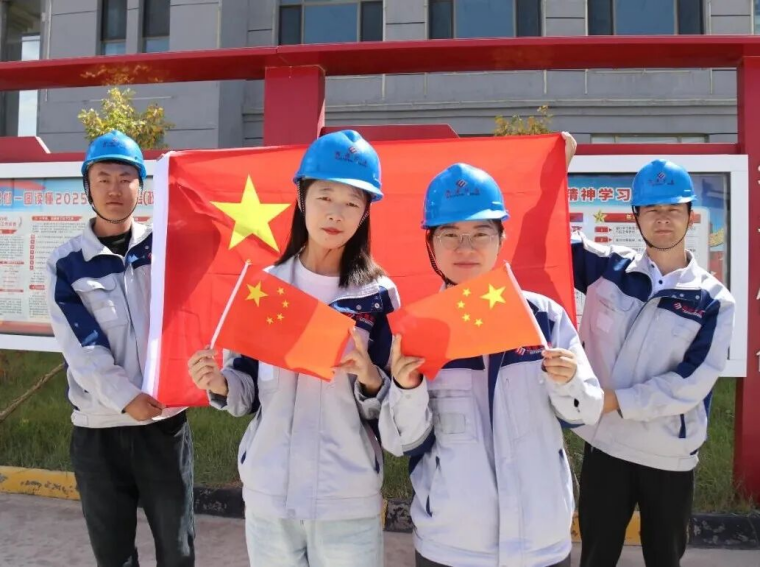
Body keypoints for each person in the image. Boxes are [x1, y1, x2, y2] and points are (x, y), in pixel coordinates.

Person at [188, 130, 398, 567]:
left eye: (352, 202)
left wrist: (369, 378)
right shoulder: (266, 287)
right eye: (325, 197)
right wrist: (221, 383)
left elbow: (393, 405)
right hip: (270, 493)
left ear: (365, 213)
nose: (335, 213)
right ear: (302, 198)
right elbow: (246, 389)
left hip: (347, 496)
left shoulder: (378, 295)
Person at [379, 160, 604, 567]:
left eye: (480, 233)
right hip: (451, 544)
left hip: (541, 542)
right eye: (450, 234)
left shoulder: (544, 319)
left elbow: (586, 412)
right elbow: (402, 443)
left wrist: (568, 380)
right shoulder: (418, 331)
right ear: (431, 243)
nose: (465, 248)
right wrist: (407, 389)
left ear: (502, 237)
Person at [567, 151, 736, 567]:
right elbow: (546, 236)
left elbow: (691, 383)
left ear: (690, 217)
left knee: (664, 558)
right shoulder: (607, 268)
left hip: (668, 454)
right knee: (596, 557)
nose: (663, 219)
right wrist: (555, 170)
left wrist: (614, 401)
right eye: (652, 209)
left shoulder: (713, 300)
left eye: (673, 210)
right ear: (636, 216)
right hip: (606, 446)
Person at [46, 130, 194, 567]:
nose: (114, 189)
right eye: (103, 178)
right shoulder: (67, 263)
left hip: (164, 424)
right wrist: (126, 398)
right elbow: (82, 346)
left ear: (141, 187)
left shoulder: (166, 249)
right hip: (100, 431)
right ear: (87, 187)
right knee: (113, 555)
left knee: (178, 549)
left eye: (125, 178)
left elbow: (194, 315)